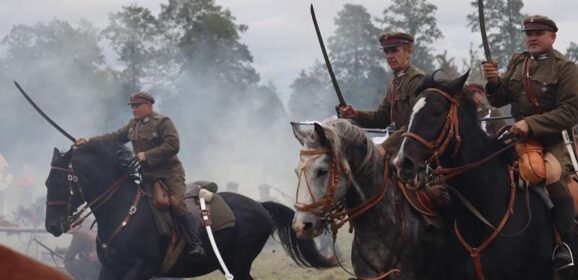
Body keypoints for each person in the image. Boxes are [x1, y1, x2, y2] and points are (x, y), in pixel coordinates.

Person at [482, 15, 578, 271]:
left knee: (552, 175)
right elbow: (499, 100)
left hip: (555, 140)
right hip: (517, 137)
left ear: (552, 37)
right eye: (529, 33)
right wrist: (493, 83)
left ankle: (566, 245)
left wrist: (531, 124)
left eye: (538, 33)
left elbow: (570, 112)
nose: (532, 38)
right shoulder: (518, 61)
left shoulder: (565, 67)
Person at [75, 91, 204, 258]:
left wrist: (147, 155)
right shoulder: (133, 125)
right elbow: (114, 137)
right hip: (147, 176)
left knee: (177, 204)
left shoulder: (163, 122)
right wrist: (89, 141)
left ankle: (195, 243)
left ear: (148, 106)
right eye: (132, 107)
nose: (133, 110)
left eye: (137, 106)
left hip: (169, 175)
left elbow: (173, 145)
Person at [338, 32, 425, 156]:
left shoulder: (416, 80)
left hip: (413, 153)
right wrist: (356, 114)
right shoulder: (395, 82)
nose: (389, 56)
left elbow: (415, 124)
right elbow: (381, 118)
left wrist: (385, 146)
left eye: (394, 51)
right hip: (399, 148)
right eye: (386, 52)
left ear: (409, 51)